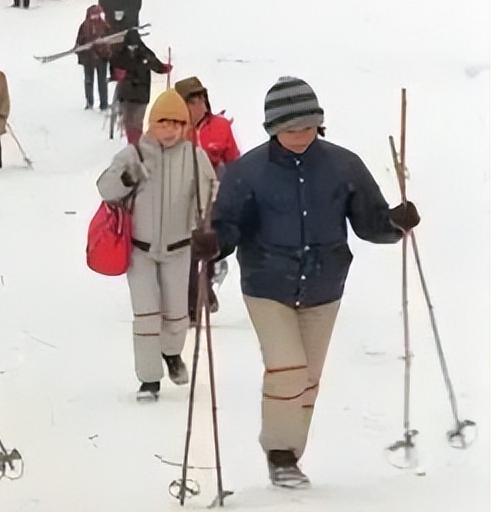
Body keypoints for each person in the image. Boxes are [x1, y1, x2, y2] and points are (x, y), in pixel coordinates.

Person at [199, 77, 420, 487]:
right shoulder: (248, 172)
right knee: (287, 368)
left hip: (324, 284)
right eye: (289, 129)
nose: (299, 136)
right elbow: (227, 226)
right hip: (267, 282)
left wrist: (395, 223)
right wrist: (212, 242)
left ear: (319, 124)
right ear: (272, 129)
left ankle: (290, 455)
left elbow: (371, 224)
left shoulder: (343, 166)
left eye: (307, 127)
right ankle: (280, 453)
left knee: (307, 379)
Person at [97, 91, 216, 400]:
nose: (171, 130)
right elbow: (105, 189)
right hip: (140, 250)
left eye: (178, 124)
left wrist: (205, 228)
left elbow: (209, 196)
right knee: (147, 316)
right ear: (152, 123)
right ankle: (149, 380)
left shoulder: (194, 156)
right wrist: (127, 178)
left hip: (179, 249)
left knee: (177, 315)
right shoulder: (134, 154)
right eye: (164, 123)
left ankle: (172, 353)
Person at [174, 76, 241, 324]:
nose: (199, 104)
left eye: (201, 98)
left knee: (212, 243)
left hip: (216, 192)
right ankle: (192, 306)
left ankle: (207, 284)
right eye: (192, 100)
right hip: (184, 194)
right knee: (191, 248)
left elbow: (234, 160)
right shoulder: (175, 129)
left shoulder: (221, 126)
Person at [109, 29, 171, 145]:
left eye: (134, 46)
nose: (132, 48)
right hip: (125, 94)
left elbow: (156, 65)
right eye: (130, 46)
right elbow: (113, 68)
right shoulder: (119, 54)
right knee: (127, 121)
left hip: (141, 94)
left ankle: (136, 144)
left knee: (137, 121)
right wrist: (115, 73)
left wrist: (164, 68)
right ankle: (132, 144)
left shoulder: (145, 53)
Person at [76, 5, 113, 110]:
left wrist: (106, 51)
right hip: (88, 58)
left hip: (101, 58)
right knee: (89, 81)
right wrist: (81, 52)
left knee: (102, 81)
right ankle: (89, 102)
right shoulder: (84, 26)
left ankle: (104, 103)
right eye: (93, 14)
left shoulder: (104, 25)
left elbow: (109, 40)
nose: (95, 17)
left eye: (97, 14)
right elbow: (80, 41)